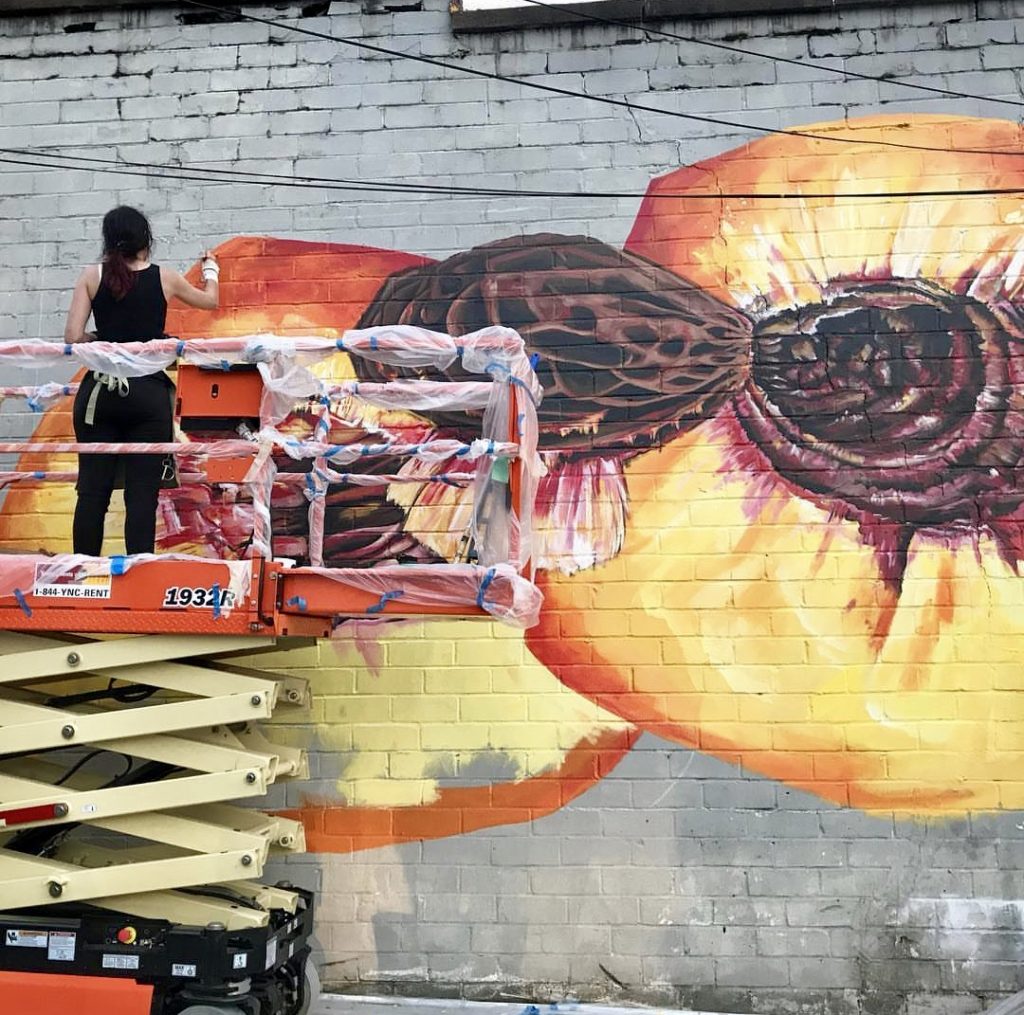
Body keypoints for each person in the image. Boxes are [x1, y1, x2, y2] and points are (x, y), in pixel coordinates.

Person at [62, 205, 220, 556]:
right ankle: (138, 579)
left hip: (99, 395)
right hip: (147, 393)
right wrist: (211, 268)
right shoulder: (165, 277)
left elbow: (72, 336)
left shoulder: (92, 276)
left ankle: (80, 577)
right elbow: (211, 301)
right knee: (141, 495)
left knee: (92, 492)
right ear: (145, 239)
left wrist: (101, 339)